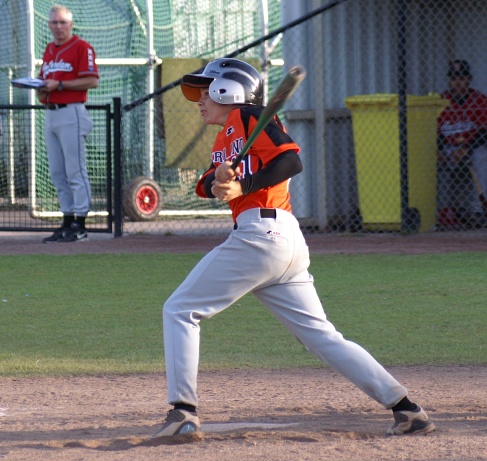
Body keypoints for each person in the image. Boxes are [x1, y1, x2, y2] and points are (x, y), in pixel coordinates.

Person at [153, 58, 435, 438]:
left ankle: (183, 413)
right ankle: (406, 409)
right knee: (321, 336)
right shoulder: (225, 137)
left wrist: (243, 185)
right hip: (282, 242)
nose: (200, 100)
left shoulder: (250, 116)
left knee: (180, 309)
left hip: (260, 236)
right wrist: (218, 180)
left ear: (227, 90)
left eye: (206, 91)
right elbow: (205, 184)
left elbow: (290, 161)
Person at [37, 5, 99, 243]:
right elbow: (45, 80)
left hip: (72, 111)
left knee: (75, 171)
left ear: (71, 24)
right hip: (51, 112)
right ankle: (66, 221)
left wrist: (60, 85)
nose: (58, 27)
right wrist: (40, 88)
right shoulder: (49, 49)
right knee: (57, 172)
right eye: (54, 22)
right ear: (49, 25)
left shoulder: (82, 47)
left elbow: (92, 81)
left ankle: (80, 224)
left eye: (63, 22)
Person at [436, 59, 487, 229]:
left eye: (462, 78)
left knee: (481, 156)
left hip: (472, 148)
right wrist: (439, 151)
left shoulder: (479, 100)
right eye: (453, 78)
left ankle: (477, 211)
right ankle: (441, 212)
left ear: (469, 79)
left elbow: (484, 133)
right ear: (449, 81)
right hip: (448, 149)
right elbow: (434, 133)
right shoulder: (441, 101)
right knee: (431, 160)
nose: (457, 82)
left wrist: (466, 148)